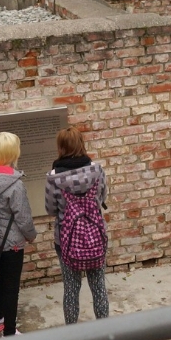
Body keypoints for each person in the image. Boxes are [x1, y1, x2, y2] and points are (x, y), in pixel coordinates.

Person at [45, 127, 110, 325]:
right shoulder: (97, 170)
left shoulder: (53, 177)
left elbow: (50, 209)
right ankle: (106, 331)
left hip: (66, 240)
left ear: (61, 147)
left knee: (71, 289)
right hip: (95, 237)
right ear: (81, 144)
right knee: (98, 285)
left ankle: (72, 334)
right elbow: (103, 197)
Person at [0, 131, 37, 336]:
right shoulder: (15, 184)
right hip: (12, 243)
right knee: (11, 288)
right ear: (12, 153)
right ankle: (9, 333)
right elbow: (23, 217)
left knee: (1, 279)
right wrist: (31, 235)